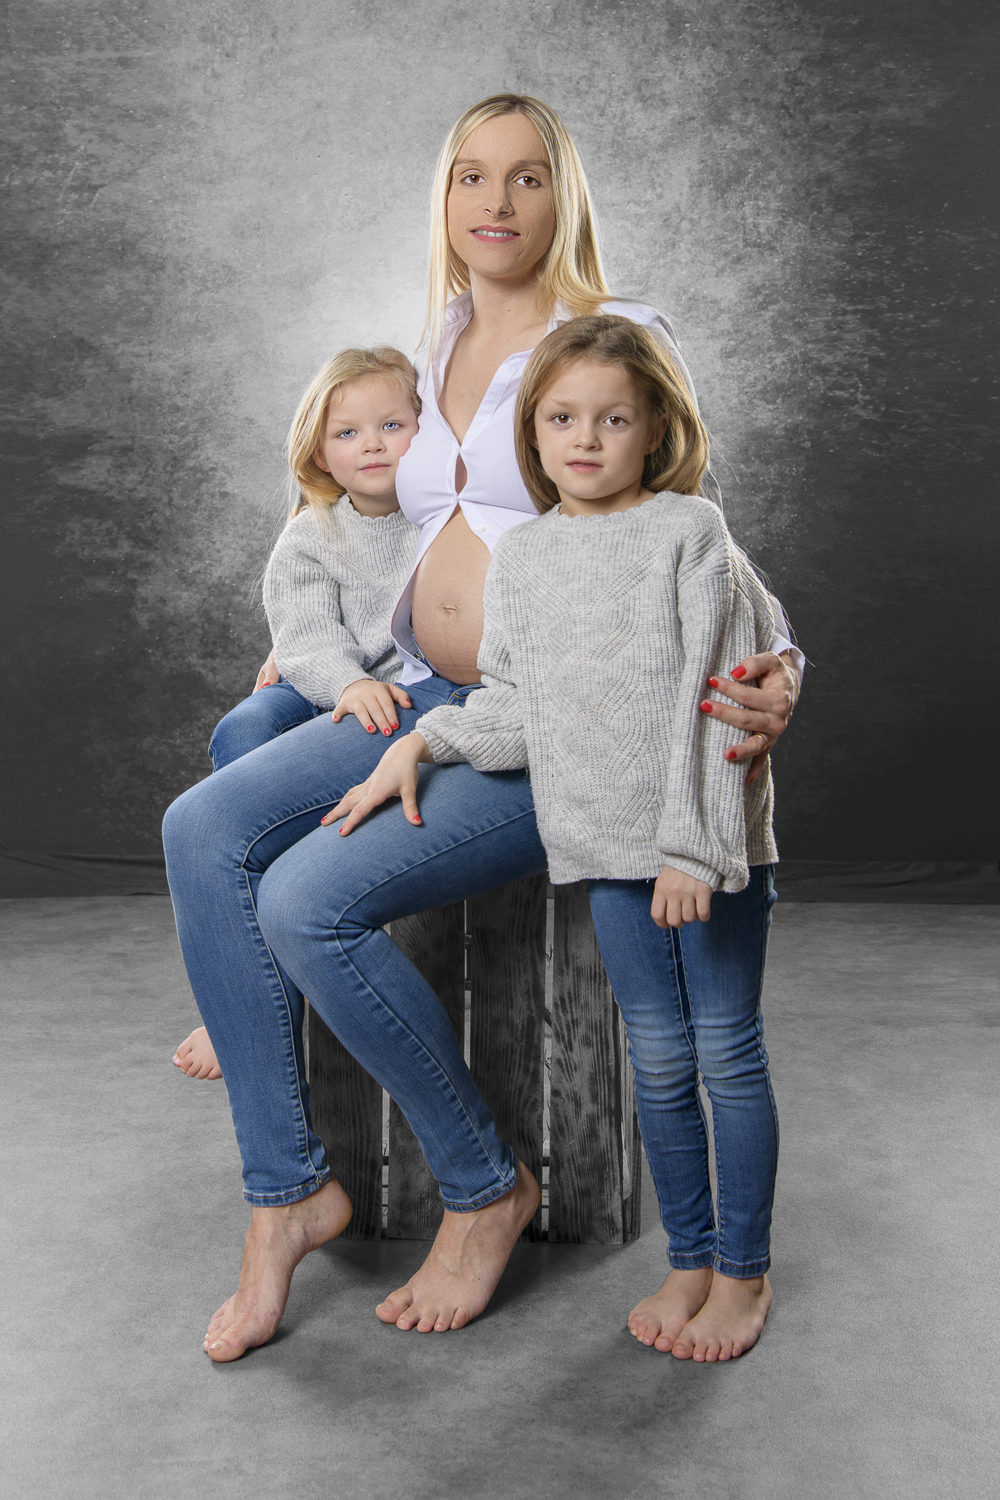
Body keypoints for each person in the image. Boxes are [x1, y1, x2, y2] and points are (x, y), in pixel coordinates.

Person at [162, 94, 800, 1364]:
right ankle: (289, 1192)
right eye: (469, 177)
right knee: (201, 823)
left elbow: (702, 554)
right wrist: (325, 640)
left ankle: (482, 1184)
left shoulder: (609, 341)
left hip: (542, 723)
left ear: (563, 195)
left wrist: (784, 670)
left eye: (523, 178)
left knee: (302, 904)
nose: (494, 204)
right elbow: (385, 508)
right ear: (442, 198)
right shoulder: (436, 337)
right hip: (420, 690)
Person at [331, 314, 780, 1361]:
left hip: (704, 851)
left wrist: (692, 850)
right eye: (561, 419)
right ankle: (690, 1261)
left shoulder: (690, 535)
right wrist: (428, 739)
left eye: (612, 419)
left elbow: (715, 700)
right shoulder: (524, 560)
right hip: (605, 853)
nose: (585, 439)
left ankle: (744, 1275)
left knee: (725, 1055)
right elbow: (518, 706)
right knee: (659, 1066)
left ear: (653, 429)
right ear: (531, 436)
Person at [171, 347, 420, 1081]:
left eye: (392, 424)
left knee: (296, 847)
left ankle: (249, 993)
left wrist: (373, 687)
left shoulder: (446, 519)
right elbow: (304, 637)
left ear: (428, 432)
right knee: (245, 727)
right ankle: (244, 998)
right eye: (348, 434)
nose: (371, 443)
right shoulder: (313, 532)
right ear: (319, 451)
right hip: (328, 683)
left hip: (405, 693)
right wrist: (343, 682)